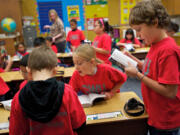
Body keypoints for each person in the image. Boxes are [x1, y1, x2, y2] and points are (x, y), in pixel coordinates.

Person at [124, 1, 180, 135]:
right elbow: (153, 70)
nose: (137, 35)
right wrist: (136, 62)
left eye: (139, 29)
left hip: (165, 120)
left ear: (155, 22)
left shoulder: (167, 50)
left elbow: (170, 92)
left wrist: (138, 75)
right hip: (155, 114)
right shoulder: (155, 44)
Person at [9, 45, 86, 135]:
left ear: (28, 71)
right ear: (55, 70)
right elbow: (80, 125)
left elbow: (16, 132)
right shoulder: (67, 91)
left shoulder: (18, 98)